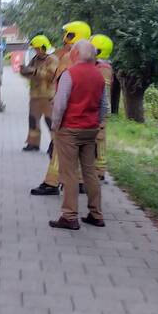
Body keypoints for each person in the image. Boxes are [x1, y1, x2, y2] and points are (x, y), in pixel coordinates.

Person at [48, 40, 109, 230]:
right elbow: (104, 106)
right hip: (90, 130)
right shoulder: (99, 76)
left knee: (70, 173)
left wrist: (55, 126)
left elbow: (60, 104)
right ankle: (96, 214)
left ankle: (69, 216)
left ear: (75, 54)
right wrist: (96, 124)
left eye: (72, 52)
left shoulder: (70, 74)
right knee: (89, 172)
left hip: (70, 130)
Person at [31, 20, 92, 196]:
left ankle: (51, 183)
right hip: (87, 116)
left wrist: (56, 117)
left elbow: (62, 89)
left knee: (58, 147)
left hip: (68, 114)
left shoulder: (68, 58)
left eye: (69, 35)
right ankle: (80, 182)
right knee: (81, 151)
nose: (65, 39)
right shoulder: (91, 59)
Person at [19, 35, 58, 151]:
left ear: (43, 47)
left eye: (37, 48)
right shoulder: (35, 59)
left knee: (50, 121)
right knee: (33, 120)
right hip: (35, 96)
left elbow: (51, 76)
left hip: (48, 96)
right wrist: (24, 71)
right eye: (34, 49)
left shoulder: (52, 59)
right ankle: (33, 143)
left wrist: (34, 71)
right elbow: (30, 73)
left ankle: (55, 144)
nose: (35, 51)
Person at [91, 33, 114, 182]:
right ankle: (98, 170)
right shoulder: (99, 66)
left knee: (99, 140)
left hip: (100, 111)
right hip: (98, 110)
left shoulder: (103, 68)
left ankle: (100, 172)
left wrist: (101, 115)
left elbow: (103, 94)